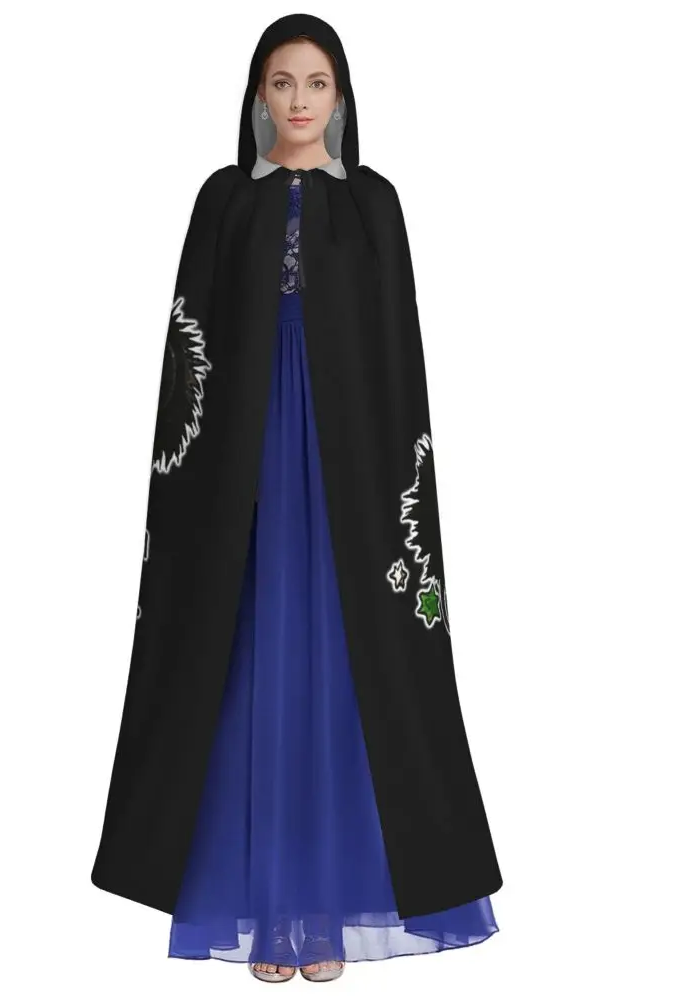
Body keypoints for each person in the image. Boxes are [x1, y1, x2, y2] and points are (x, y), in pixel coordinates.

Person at [91, 14, 503, 984]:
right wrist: (195, 476)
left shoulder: (374, 204)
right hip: (240, 471)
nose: (300, 101)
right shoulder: (222, 200)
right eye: (283, 83)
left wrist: (391, 476)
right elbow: (188, 354)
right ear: (257, 96)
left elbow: (397, 355)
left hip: (350, 470)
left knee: (347, 671)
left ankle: (321, 922)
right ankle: (269, 916)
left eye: (317, 83)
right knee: (245, 669)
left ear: (342, 97)